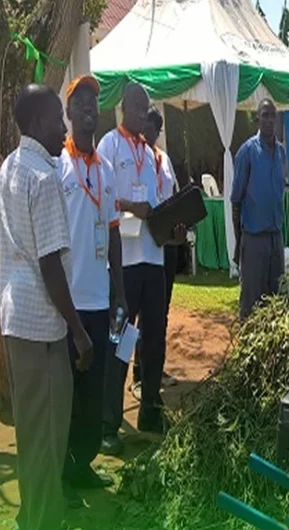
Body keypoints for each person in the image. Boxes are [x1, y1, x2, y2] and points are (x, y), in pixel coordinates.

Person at [0, 84, 93, 530]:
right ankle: (44, 522)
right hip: (44, 328)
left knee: (30, 432)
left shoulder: (10, 165)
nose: (63, 127)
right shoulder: (45, 177)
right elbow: (50, 265)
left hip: (15, 318)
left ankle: (32, 515)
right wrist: (79, 332)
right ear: (37, 123)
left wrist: (14, 254)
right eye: (56, 119)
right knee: (49, 434)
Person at [99, 83, 179, 454]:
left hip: (154, 259)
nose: (143, 116)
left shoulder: (150, 156)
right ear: (122, 108)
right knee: (119, 339)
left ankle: (150, 408)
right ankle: (108, 424)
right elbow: (102, 199)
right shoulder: (109, 147)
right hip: (124, 262)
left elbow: (159, 204)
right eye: (137, 108)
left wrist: (172, 224)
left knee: (154, 339)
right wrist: (133, 206)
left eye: (147, 110)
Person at [57, 75, 126, 505]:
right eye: (81, 102)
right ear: (67, 114)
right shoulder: (56, 166)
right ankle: (61, 472)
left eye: (94, 103)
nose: (89, 109)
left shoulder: (104, 170)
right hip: (66, 303)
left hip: (99, 300)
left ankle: (82, 464)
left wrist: (118, 290)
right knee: (68, 394)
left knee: (94, 390)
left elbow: (114, 234)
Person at [131, 107, 181, 400]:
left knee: (159, 312)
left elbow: (171, 193)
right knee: (139, 314)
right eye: (149, 126)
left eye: (156, 130)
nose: (151, 133)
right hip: (141, 247)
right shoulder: (133, 158)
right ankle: (136, 373)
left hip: (166, 244)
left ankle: (154, 367)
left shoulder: (163, 159)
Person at [231, 99, 285, 318]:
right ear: (257, 119)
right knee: (252, 302)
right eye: (265, 115)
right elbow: (236, 201)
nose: (270, 120)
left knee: (276, 301)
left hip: (276, 237)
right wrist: (238, 243)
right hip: (253, 238)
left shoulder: (281, 152)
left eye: (273, 115)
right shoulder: (247, 152)